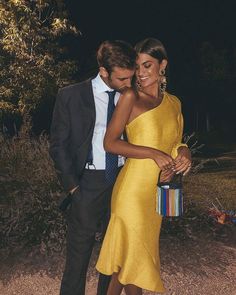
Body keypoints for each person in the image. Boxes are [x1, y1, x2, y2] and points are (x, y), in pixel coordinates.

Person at [96, 38, 192, 294]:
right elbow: (110, 143)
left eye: (148, 65)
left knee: (129, 265)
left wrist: (185, 152)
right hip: (132, 193)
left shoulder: (174, 103)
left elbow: (175, 142)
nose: (141, 73)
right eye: (137, 67)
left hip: (157, 194)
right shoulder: (130, 97)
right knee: (132, 261)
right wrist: (152, 153)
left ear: (163, 65)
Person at [49, 40, 136, 295]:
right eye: (122, 79)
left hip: (122, 181)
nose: (128, 85)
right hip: (87, 183)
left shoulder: (131, 97)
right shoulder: (71, 95)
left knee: (112, 254)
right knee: (78, 256)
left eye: (130, 78)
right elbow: (58, 146)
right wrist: (73, 188)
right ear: (103, 71)